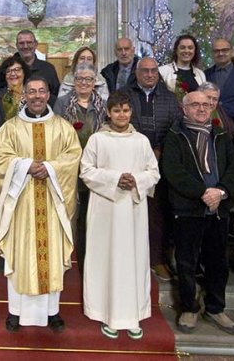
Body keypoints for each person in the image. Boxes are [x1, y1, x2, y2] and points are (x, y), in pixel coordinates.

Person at [0, 76, 82, 333]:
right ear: (24, 95)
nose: (36, 96)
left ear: (48, 94)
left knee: (51, 256)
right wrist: (24, 166)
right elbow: (0, 158)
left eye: (41, 91)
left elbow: (72, 157)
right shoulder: (9, 128)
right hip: (21, 205)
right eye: (31, 91)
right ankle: (15, 312)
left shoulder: (63, 128)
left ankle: (52, 312)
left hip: (52, 204)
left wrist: (51, 168)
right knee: (19, 255)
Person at [80, 91, 160, 340]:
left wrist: (135, 180)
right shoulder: (97, 140)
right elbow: (86, 171)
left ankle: (133, 315)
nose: (121, 115)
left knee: (133, 260)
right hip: (105, 209)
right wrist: (115, 179)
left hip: (133, 210)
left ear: (131, 112)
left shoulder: (141, 141)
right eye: (116, 110)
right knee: (106, 259)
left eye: (125, 110)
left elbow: (154, 172)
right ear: (108, 112)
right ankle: (107, 314)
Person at [162, 91, 234, 335]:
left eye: (206, 104)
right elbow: (173, 171)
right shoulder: (175, 135)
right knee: (186, 263)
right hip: (188, 209)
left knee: (218, 262)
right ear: (184, 109)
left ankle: (216, 308)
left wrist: (221, 192)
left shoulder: (221, 136)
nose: (201, 109)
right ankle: (189, 308)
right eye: (195, 104)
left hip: (218, 210)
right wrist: (203, 193)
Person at [124, 57, 181, 282]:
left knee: (158, 215)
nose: (149, 75)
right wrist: (142, 151)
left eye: (153, 71)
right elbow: (122, 122)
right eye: (145, 71)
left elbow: (175, 128)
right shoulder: (125, 94)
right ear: (137, 73)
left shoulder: (170, 98)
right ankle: (130, 258)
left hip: (160, 163)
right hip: (131, 161)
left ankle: (157, 259)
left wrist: (159, 149)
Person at [53, 63, 107, 272]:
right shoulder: (62, 104)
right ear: (73, 82)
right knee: (69, 217)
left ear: (95, 83)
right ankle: (65, 262)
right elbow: (55, 134)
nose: (84, 83)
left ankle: (90, 264)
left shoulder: (103, 105)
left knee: (90, 218)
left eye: (88, 79)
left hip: (95, 169)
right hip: (69, 168)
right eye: (79, 79)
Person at [0, 56, 29, 142]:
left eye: (17, 70)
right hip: (3, 145)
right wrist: (9, 142)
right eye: (8, 71)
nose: (13, 74)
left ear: (24, 72)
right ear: (4, 75)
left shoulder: (33, 95)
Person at [14, 29, 60, 105]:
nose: (25, 46)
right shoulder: (9, 70)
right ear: (17, 46)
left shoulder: (48, 69)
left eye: (29, 42)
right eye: (21, 43)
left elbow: (56, 96)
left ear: (35, 44)